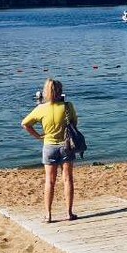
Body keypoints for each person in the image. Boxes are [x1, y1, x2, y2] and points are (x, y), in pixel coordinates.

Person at [21, 78, 78, 223]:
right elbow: (74, 124)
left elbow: (25, 124)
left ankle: (48, 215)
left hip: (49, 146)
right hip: (66, 146)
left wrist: (39, 136)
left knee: (49, 181)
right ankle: (69, 213)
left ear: (46, 92)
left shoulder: (41, 108)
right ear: (61, 91)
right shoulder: (68, 106)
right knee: (67, 179)